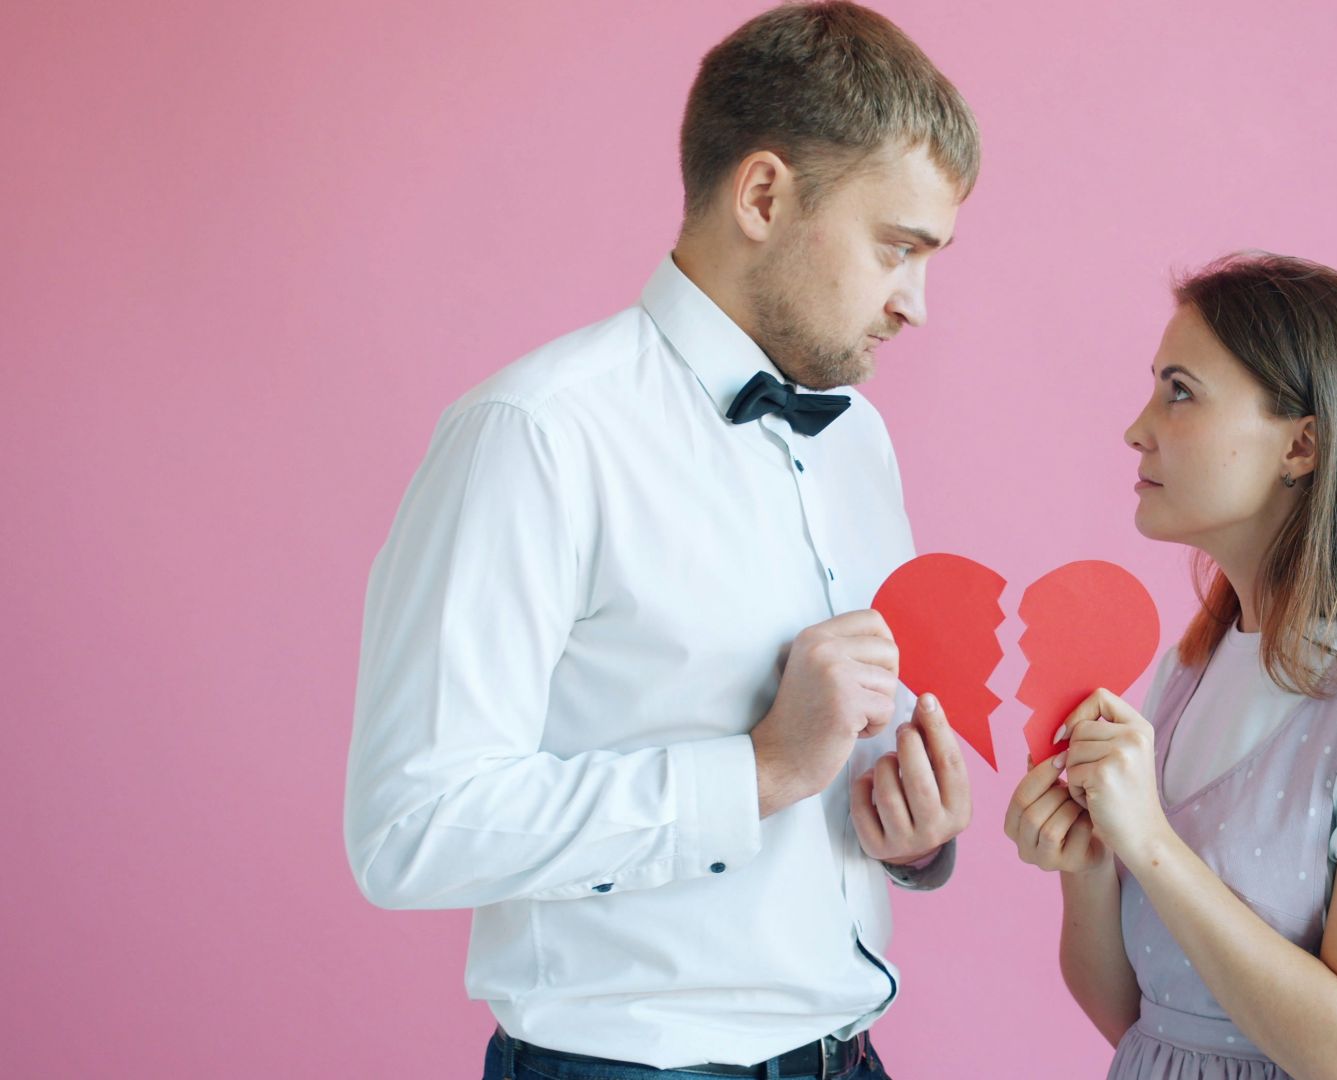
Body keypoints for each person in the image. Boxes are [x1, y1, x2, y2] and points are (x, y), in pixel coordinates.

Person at [342, 5, 980, 1077]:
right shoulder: (538, 436)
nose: (915, 304)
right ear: (765, 196)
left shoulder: (858, 439)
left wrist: (911, 835)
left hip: (849, 1052)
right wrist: (760, 771)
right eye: (897, 248)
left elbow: (829, 776)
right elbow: (413, 828)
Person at [1005, 253, 1337, 1080]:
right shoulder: (1189, 670)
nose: (1138, 428)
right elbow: (1142, 1022)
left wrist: (1150, 843)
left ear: (1303, 444)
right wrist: (1092, 867)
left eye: (1180, 391)